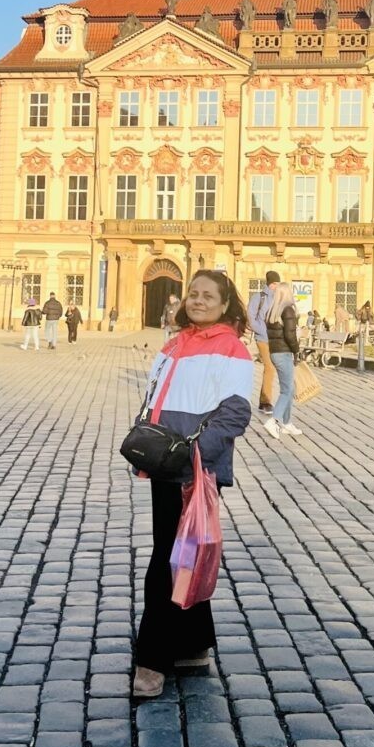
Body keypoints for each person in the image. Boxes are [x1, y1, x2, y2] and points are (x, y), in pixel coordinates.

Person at [131, 270, 252, 700]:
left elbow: (236, 413)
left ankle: (153, 659)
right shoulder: (173, 342)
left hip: (193, 467)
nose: (198, 301)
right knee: (186, 550)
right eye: (193, 294)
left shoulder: (232, 349)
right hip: (164, 462)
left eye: (208, 296)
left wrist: (193, 452)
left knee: (167, 558)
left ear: (225, 305)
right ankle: (192, 646)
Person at [264, 281, 302, 440]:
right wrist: (297, 350)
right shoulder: (288, 310)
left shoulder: (272, 311)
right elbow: (290, 335)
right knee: (287, 390)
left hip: (274, 352)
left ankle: (287, 423)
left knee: (289, 388)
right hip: (284, 352)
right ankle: (274, 420)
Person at [246, 270, 280, 416]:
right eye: (274, 283)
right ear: (269, 283)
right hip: (263, 338)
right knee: (270, 367)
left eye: (277, 284)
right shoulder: (258, 297)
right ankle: (266, 402)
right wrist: (261, 331)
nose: (275, 286)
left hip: (276, 338)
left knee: (272, 368)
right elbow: (251, 317)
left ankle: (263, 401)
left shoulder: (279, 297)